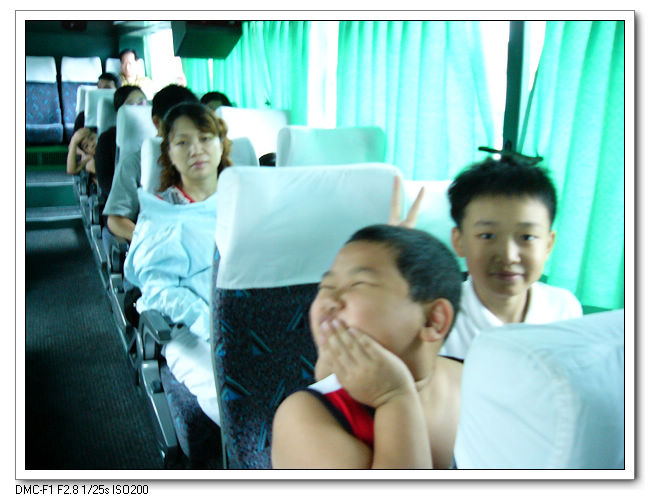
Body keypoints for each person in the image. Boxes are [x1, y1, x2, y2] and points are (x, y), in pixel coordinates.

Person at [272, 224, 464, 469]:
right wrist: (393, 399)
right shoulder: (304, 416)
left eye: (358, 284)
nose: (329, 301)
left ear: (433, 320)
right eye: (326, 287)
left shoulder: (480, 379)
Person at [392, 155, 583, 361]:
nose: (509, 256)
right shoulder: (436, 317)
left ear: (548, 244)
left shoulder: (564, 310)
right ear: (459, 241)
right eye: (487, 236)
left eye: (526, 237)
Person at [123, 102, 232, 426]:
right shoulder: (162, 213)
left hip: (250, 313)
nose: (196, 149)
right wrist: (212, 324)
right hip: (189, 328)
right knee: (232, 396)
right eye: (183, 142)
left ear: (221, 144)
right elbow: (159, 291)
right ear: (169, 153)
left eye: (205, 138)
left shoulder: (246, 199)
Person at [103, 84, 199, 242]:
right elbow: (115, 220)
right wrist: (150, 240)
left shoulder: (201, 160)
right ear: (157, 123)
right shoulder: (134, 163)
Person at [94, 85, 147, 200]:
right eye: (132, 105)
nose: (140, 109)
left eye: (142, 103)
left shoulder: (157, 134)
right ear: (119, 113)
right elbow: (105, 182)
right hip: (122, 200)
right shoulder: (107, 139)